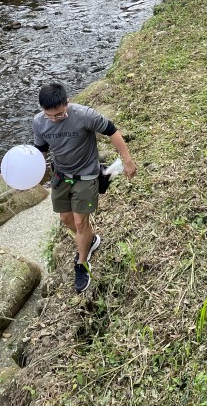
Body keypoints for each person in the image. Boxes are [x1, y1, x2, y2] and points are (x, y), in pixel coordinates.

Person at [32, 82, 136, 293]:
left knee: (80, 222)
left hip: (87, 175)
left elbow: (112, 130)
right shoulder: (38, 122)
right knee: (66, 219)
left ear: (67, 104)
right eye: (49, 115)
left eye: (59, 115)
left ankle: (82, 263)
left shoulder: (84, 115)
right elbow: (39, 151)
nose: (54, 119)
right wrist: (28, 178)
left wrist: (127, 160)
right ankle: (90, 240)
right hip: (61, 175)